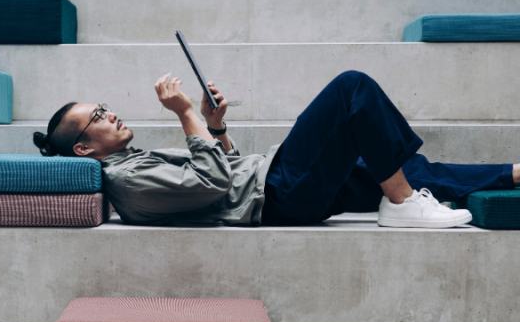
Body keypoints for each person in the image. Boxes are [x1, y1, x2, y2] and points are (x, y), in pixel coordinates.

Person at [33, 71, 518, 228]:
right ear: (81, 149)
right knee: (351, 90)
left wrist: (216, 127)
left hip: (275, 182)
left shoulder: (132, 163)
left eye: (103, 107)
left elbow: (223, 165)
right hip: (279, 196)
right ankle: (402, 206)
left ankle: (510, 174)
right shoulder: (126, 180)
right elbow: (214, 183)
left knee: (400, 164)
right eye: (95, 118)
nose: (109, 115)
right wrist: (187, 116)